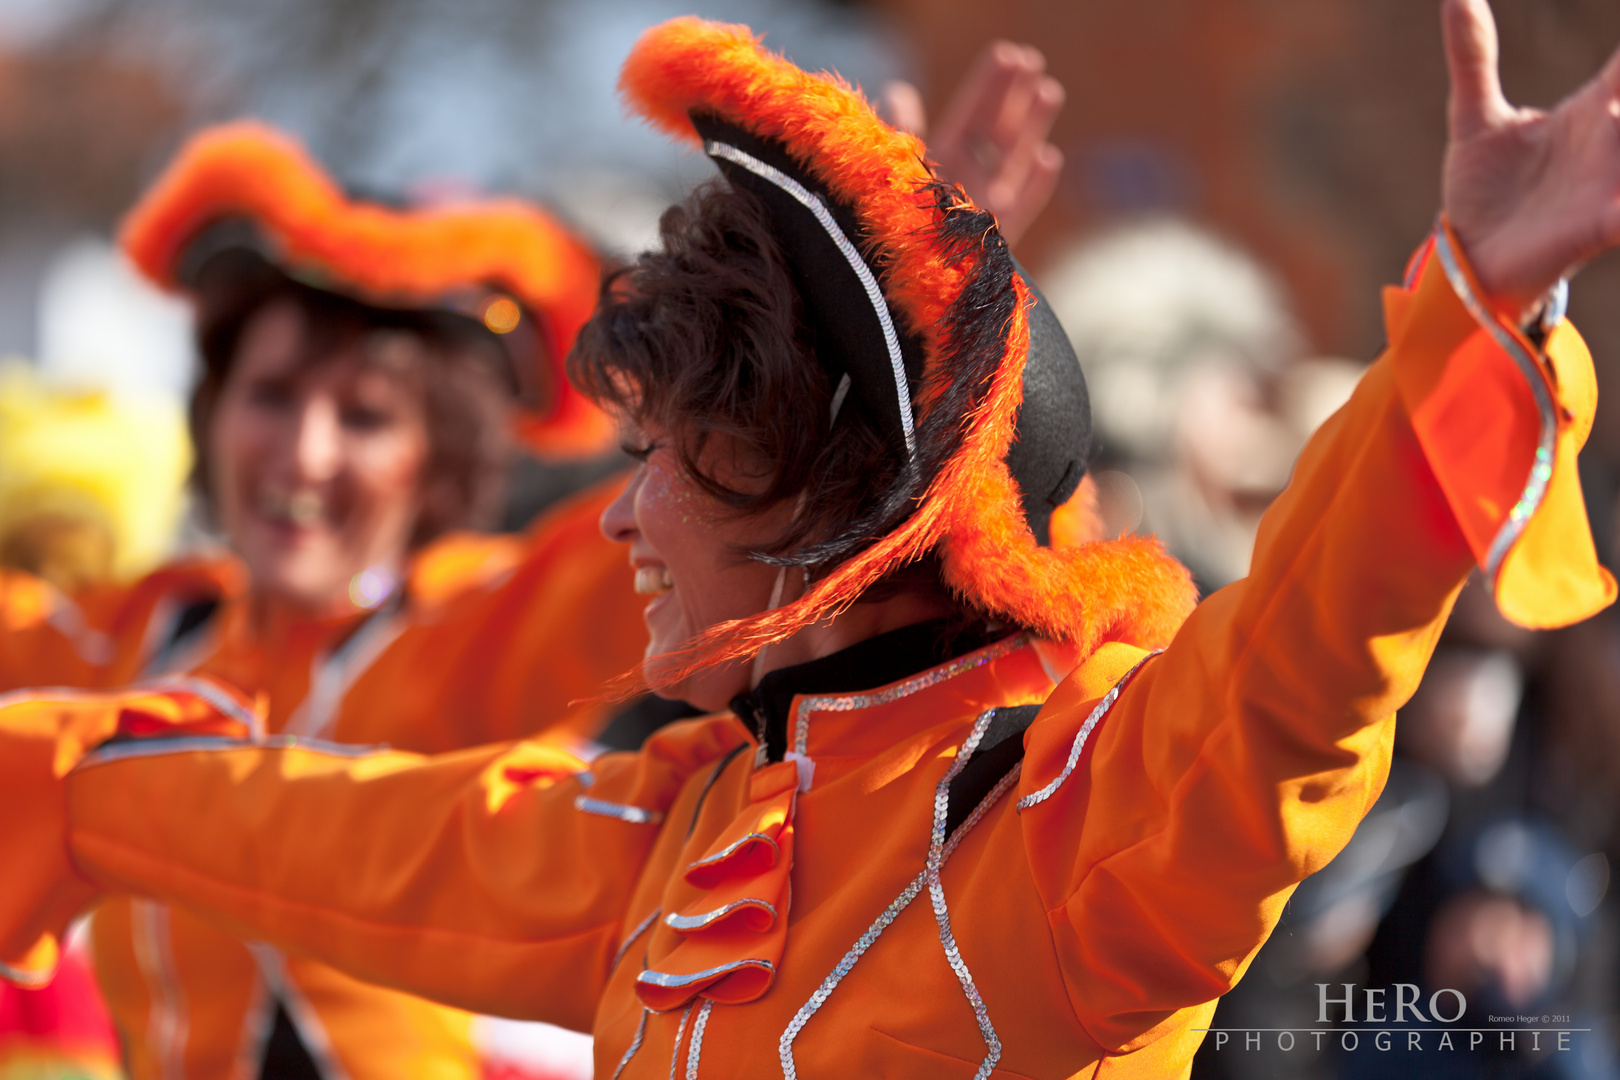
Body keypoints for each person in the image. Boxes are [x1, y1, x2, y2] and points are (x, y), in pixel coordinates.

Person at [2, 2, 1618, 1077]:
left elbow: (1302, 662)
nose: (619, 515)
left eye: (673, 461)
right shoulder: (677, 828)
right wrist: (68, 782)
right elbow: (320, 831)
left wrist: (1476, 320)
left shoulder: (1060, 826)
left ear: (833, 511)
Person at [0, 121, 652, 1079]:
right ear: (212, 414)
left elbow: (700, 513)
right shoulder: (136, 633)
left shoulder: (459, 628)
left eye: (364, 417)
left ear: (438, 460)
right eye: (270, 395)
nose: (304, 455)